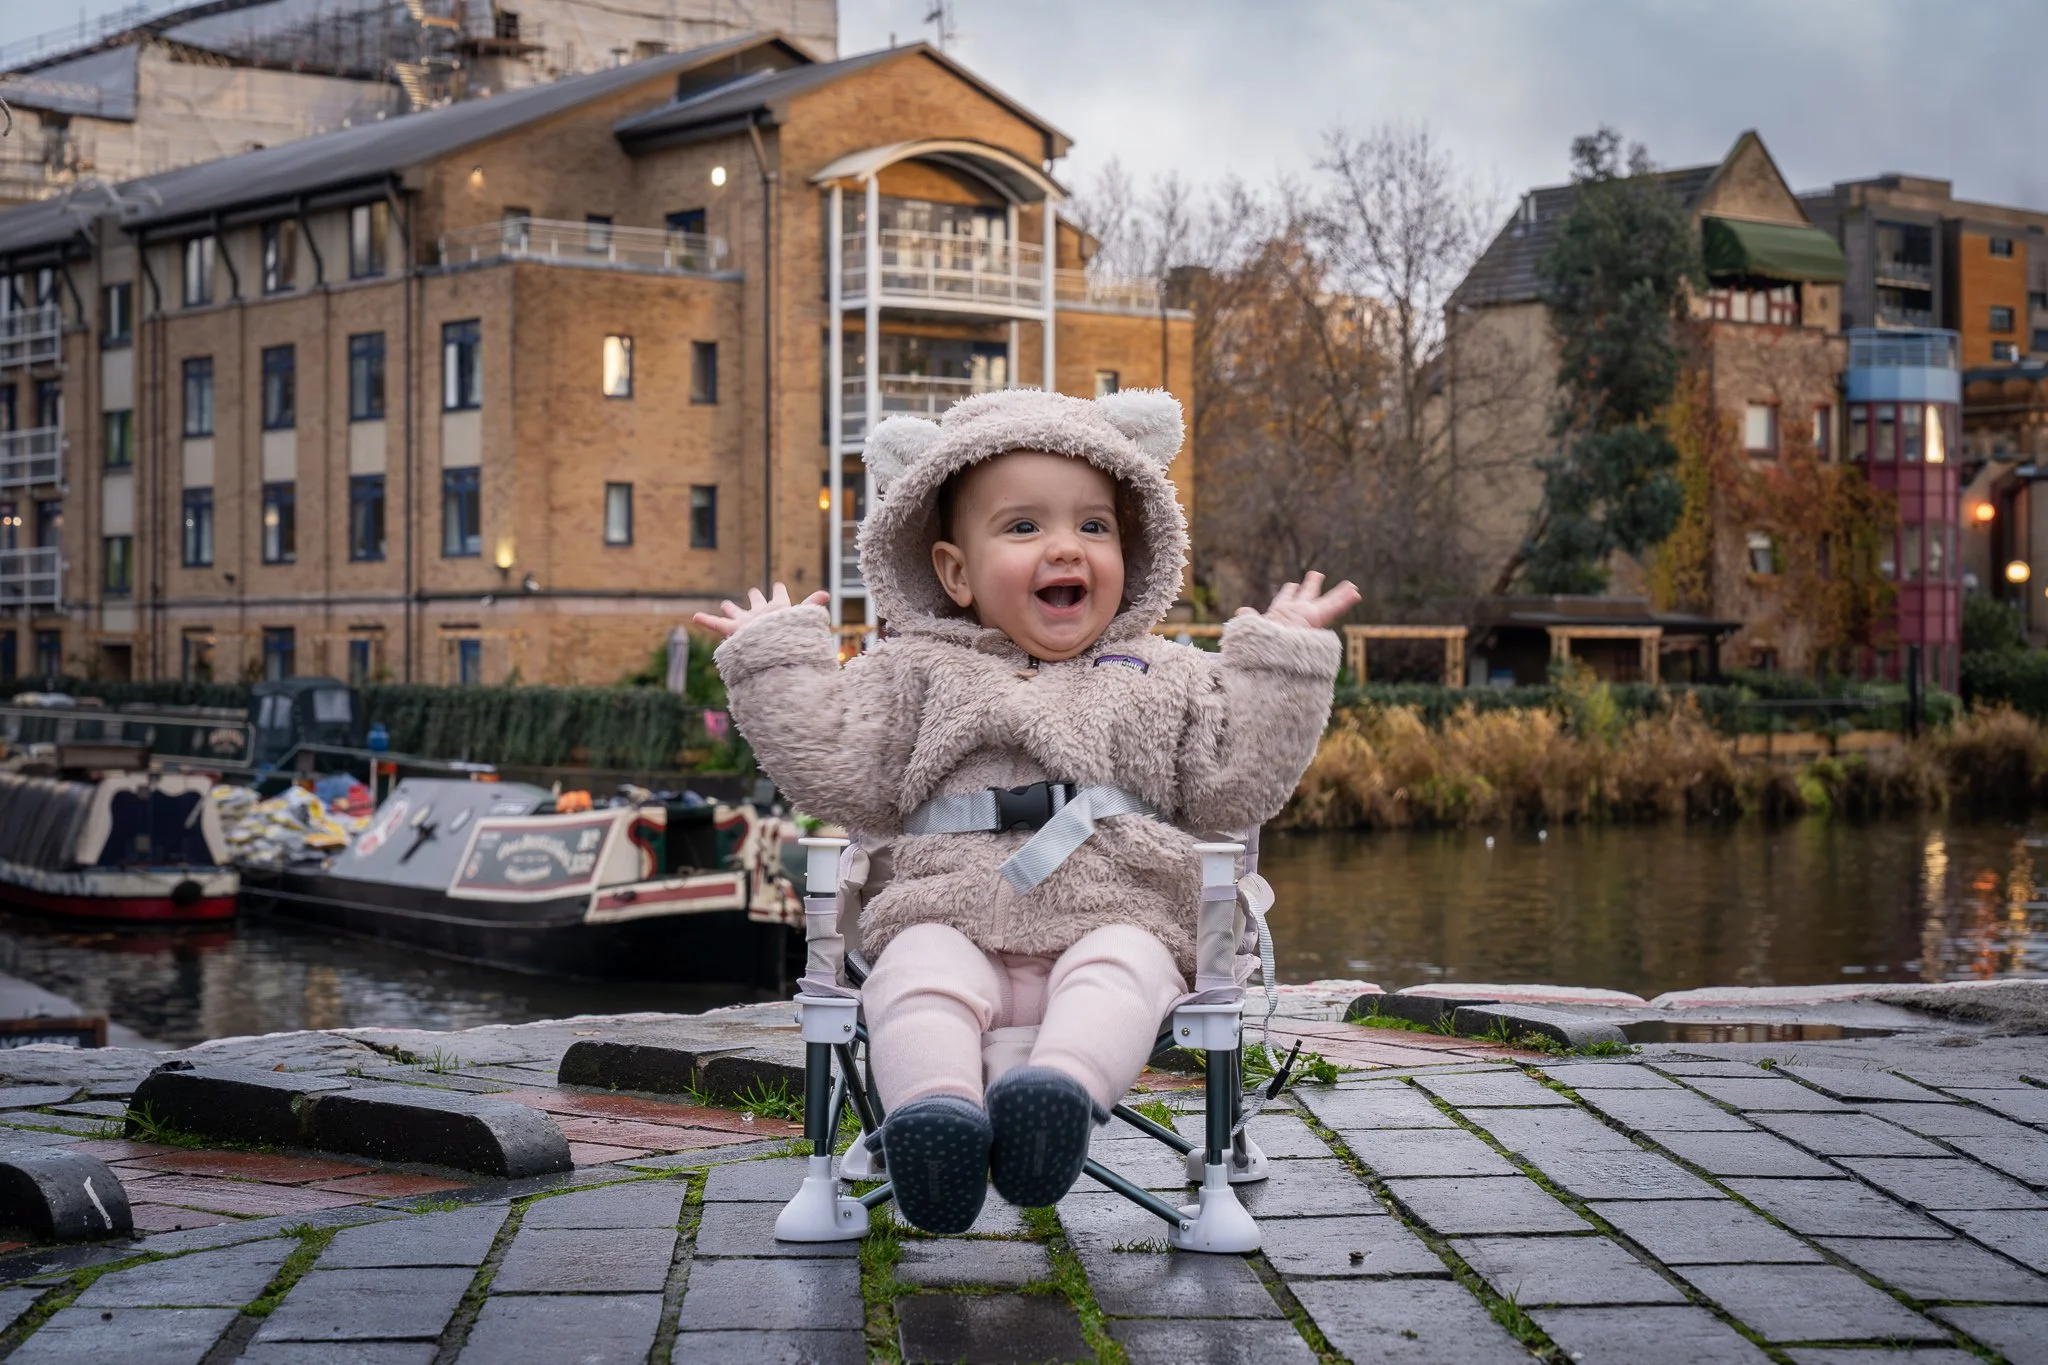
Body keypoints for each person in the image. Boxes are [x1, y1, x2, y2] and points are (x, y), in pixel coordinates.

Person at [695, 388, 1354, 1233]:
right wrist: (775, 659)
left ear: (1134, 545)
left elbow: (1240, 784)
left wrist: (1284, 662)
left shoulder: (1163, 675)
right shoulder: (914, 673)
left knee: (1120, 969)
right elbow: (833, 766)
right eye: (1023, 527)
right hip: (949, 909)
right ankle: (938, 1121)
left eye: (1093, 526)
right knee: (915, 976)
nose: (1063, 547)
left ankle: (1059, 1098)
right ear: (955, 571)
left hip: (1115, 907)